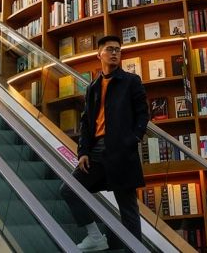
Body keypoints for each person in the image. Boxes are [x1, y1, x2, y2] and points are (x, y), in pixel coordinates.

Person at [60, 35, 149, 251]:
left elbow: (142, 114)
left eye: (118, 49)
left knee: (128, 208)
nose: (115, 52)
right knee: (69, 190)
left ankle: (134, 249)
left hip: (121, 151)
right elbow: (87, 122)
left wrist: (133, 139)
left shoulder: (131, 81)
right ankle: (95, 237)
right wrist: (83, 151)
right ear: (99, 54)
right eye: (110, 49)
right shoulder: (93, 87)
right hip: (96, 152)